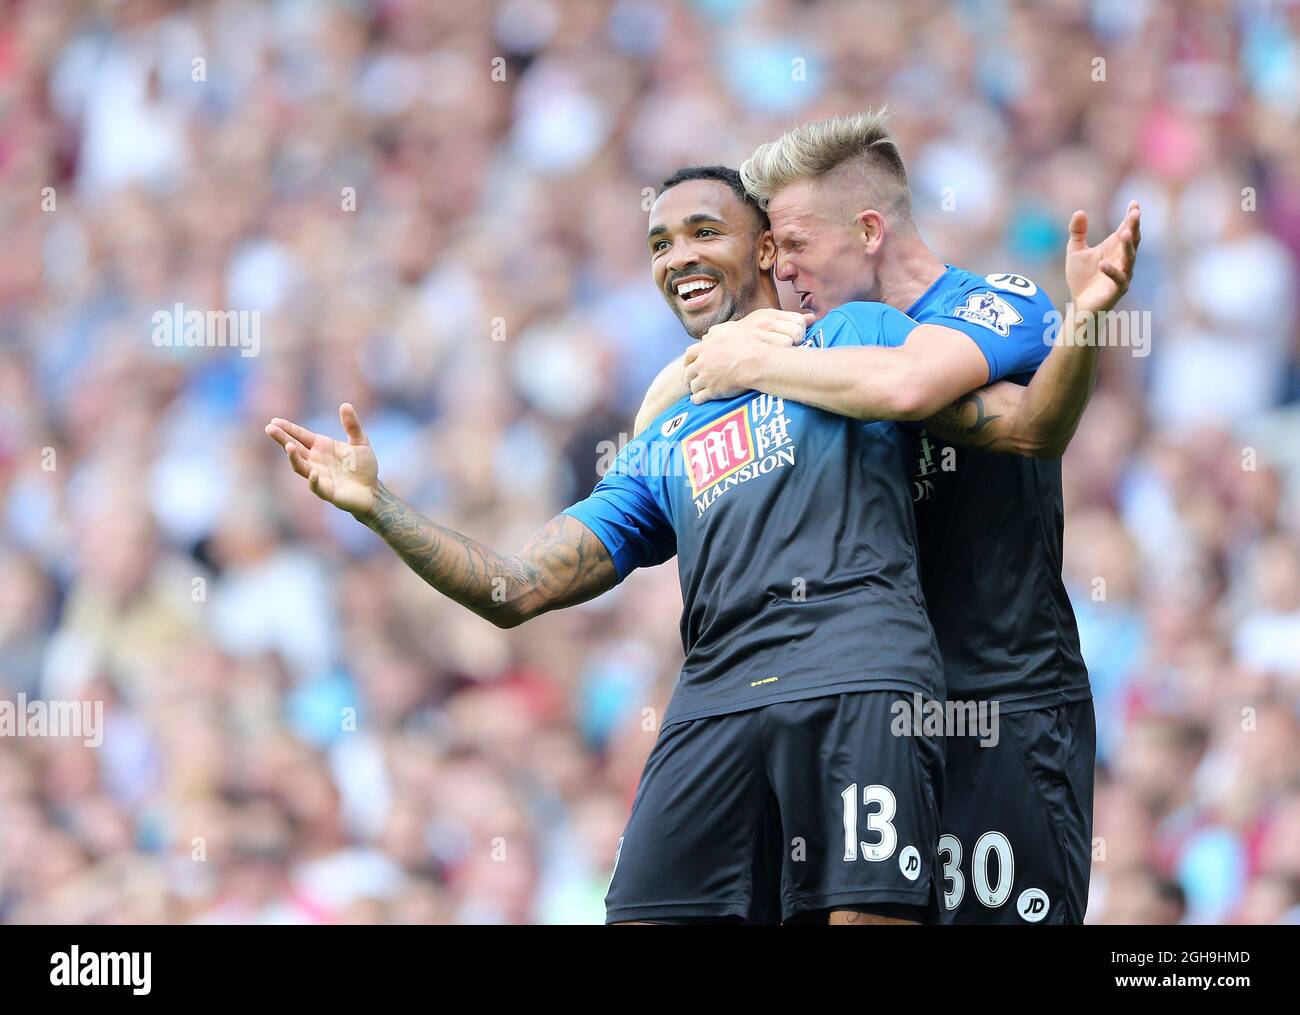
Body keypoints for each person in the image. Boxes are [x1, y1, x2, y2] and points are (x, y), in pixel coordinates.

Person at [265, 165, 1028, 925]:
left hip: (858, 676)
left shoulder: (854, 332)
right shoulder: (668, 433)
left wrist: (1080, 329)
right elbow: (518, 587)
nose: (678, 256)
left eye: (704, 232)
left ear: (766, 250)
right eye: (660, 243)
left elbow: (1009, 420)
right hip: (715, 700)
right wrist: (381, 508)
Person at [635, 112, 1140, 924]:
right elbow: (665, 433)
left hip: (999, 701)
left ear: (868, 229)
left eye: (793, 244)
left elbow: (1006, 417)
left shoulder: (990, 306)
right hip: (861, 714)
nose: (781, 267)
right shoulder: (810, 350)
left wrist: (1084, 322)